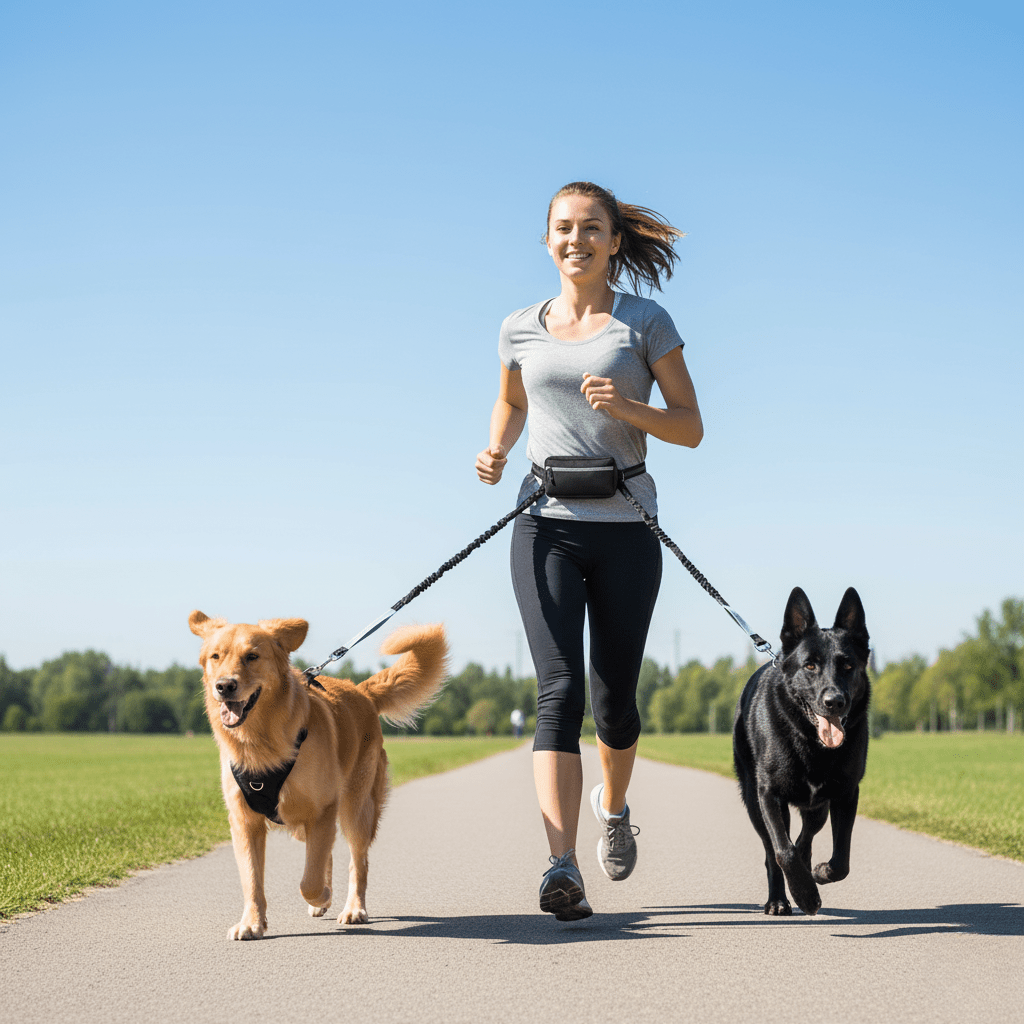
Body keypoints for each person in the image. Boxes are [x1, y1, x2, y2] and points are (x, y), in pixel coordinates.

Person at [475, 181, 703, 920]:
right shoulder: (519, 327)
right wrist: (496, 447)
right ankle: (561, 866)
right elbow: (512, 401)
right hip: (544, 522)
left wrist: (629, 407)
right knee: (559, 689)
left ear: (613, 241)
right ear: (547, 240)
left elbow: (691, 426)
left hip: (627, 527)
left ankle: (616, 808)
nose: (577, 240)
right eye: (564, 228)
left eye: (591, 228)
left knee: (614, 703)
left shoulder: (645, 323)